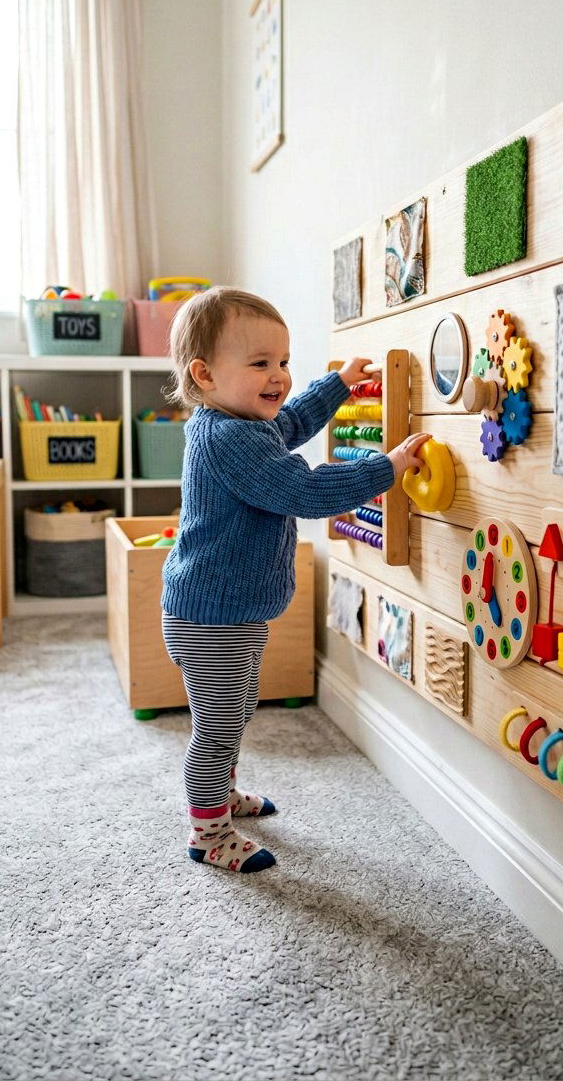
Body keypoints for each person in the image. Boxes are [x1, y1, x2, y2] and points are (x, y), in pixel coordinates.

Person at [160, 287, 429, 873]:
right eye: (260, 364)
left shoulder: (242, 421)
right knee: (218, 726)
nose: (278, 376)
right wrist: (384, 468)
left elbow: (293, 419)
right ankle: (207, 832)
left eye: (283, 362)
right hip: (211, 617)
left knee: (231, 713)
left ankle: (220, 795)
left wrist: (337, 386)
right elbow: (303, 492)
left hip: (225, 609)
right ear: (204, 375)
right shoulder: (230, 439)